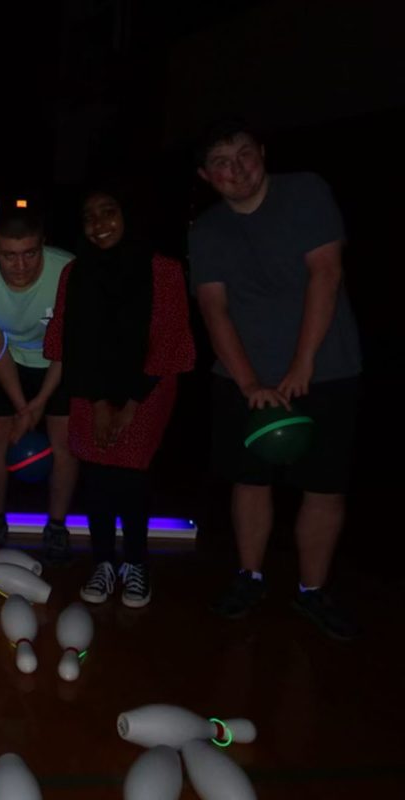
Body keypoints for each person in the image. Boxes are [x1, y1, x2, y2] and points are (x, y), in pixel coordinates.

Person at [189, 119, 362, 639]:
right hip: (245, 375)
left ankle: (312, 590)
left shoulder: (306, 191)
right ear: (206, 175)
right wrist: (248, 383)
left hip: (327, 369)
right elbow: (214, 309)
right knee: (251, 478)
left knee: (324, 486)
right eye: (221, 161)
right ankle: (250, 575)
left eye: (243, 153)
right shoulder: (207, 230)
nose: (236, 168)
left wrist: (303, 363)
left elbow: (326, 272)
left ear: (261, 151)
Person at [44, 187, 195, 607]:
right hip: (88, 388)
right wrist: (96, 403)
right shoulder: (75, 274)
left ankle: (137, 564)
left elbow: (169, 341)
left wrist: (128, 405)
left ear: (129, 215)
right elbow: (70, 343)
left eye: (109, 212)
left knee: (130, 474)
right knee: (95, 476)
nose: (99, 225)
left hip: (147, 387)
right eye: (89, 216)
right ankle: (104, 562)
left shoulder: (162, 270)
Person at [0, 207, 77, 560]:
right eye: (9, 256)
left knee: (65, 439)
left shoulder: (69, 272)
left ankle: (56, 524)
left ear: (43, 245)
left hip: (58, 359)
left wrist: (38, 404)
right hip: (6, 357)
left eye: (30, 253)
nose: (21, 266)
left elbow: (67, 351)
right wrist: (21, 408)